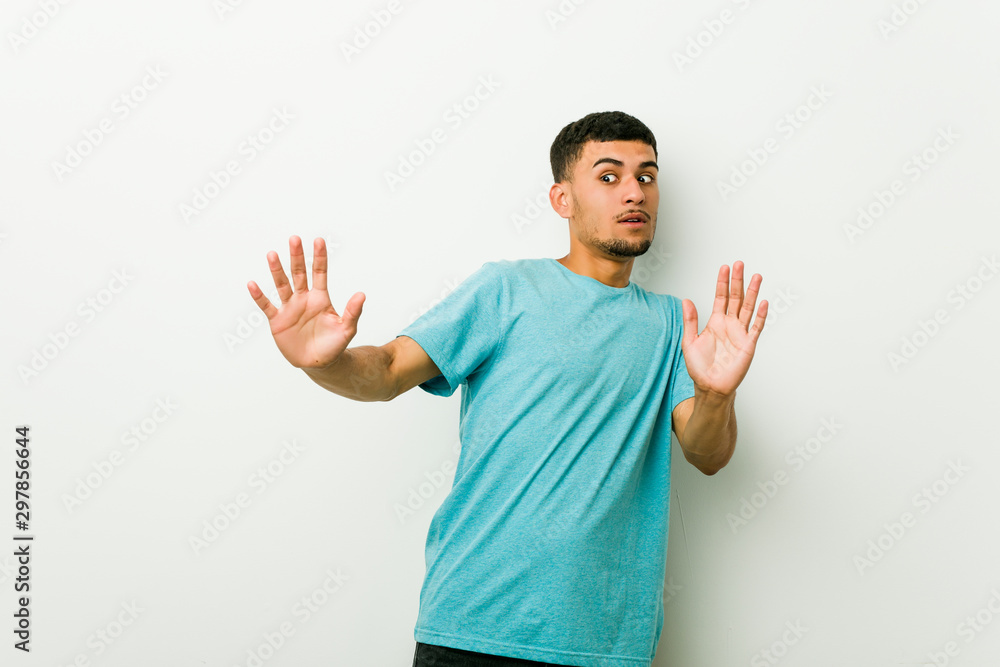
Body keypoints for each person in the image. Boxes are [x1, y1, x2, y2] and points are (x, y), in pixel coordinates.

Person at [247, 111, 768, 667]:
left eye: (647, 176)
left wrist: (717, 395)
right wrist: (325, 364)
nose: (634, 192)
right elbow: (390, 369)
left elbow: (708, 454)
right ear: (562, 199)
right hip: (473, 630)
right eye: (609, 176)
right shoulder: (506, 290)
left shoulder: (673, 326)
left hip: (606, 644)